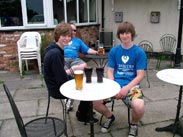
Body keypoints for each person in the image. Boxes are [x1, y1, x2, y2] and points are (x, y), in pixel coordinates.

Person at [93, 21, 147, 137]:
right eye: (122, 33)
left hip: (132, 87)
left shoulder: (139, 52)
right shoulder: (114, 51)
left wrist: (126, 89)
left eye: (127, 33)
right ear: (119, 35)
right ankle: (110, 117)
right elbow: (110, 71)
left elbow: (140, 75)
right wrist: (114, 87)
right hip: (115, 86)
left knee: (139, 106)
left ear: (132, 34)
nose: (124, 36)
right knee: (95, 102)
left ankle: (133, 124)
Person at [64, 23, 98, 111]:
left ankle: (71, 74)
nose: (73, 32)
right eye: (71, 30)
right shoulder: (63, 39)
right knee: (68, 76)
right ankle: (69, 96)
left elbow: (86, 49)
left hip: (74, 59)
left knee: (84, 65)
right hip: (63, 59)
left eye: (75, 30)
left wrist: (97, 52)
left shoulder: (78, 41)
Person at [43, 22, 72, 99]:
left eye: (69, 36)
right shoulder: (55, 54)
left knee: (83, 83)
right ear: (58, 36)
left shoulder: (54, 48)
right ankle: (82, 111)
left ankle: (84, 110)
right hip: (57, 90)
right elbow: (61, 80)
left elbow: (60, 73)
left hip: (55, 85)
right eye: (64, 36)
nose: (67, 38)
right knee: (86, 91)